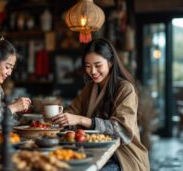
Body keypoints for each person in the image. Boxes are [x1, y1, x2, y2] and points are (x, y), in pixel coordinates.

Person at [52, 38, 150, 171]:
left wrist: (82, 120)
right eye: (87, 66)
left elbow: (121, 129)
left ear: (110, 63)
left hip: (122, 155)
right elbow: (73, 111)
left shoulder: (125, 89)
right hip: (92, 149)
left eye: (98, 65)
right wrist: (61, 117)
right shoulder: (89, 87)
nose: (92, 71)